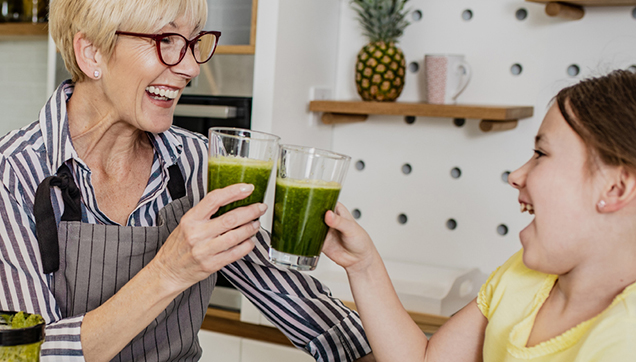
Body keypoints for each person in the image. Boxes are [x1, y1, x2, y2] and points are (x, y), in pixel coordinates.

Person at [0, 0, 375, 361]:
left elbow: (314, 318)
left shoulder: (198, 163)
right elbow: (26, 355)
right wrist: (169, 271)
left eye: (194, 42)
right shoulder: (14, 172)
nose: (192, 67)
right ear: (92, 52)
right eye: (166, 41)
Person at [322, 69, 636, 361]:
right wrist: (363, 266)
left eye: (541, 154)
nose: (516, 175)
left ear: (615, 189)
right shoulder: (520, 275)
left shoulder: (624, 339)